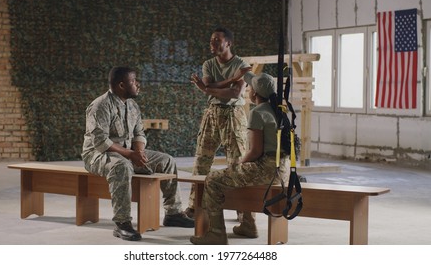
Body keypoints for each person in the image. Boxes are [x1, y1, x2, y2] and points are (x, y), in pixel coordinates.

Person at [82, 66, 194, 242]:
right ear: (121, 85)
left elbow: (139, 133)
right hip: (97, 155)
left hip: (127, 152)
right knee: (122, 166)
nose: (138, 84)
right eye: (133, 81)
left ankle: (173, 213)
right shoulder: (100, 106)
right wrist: (130, 154)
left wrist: (139, 152)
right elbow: (101, 142)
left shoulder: (132, 105)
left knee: (167, 161)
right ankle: (122, 223)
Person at [190, 73, 291, 245]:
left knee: (213, 179)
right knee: (235, 176)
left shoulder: (257, 112)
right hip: (283, 169)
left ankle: (216, 234)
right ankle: (247, 225)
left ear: (254, 94)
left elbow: (255, 151)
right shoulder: (279, 110)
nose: (248, 91)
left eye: (249, 88)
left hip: (267, 170)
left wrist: (239, 164)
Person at [187, 27, 254, 219]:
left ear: (228, 43)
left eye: (217, 40)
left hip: (233, 115)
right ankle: (194, 206)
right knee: (201, 160)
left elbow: (235, 93)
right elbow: (209, 86)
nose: (213, 44)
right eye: (211, 41)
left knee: (238, 163)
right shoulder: (208, 64)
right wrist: (231, 80)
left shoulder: (242, 64)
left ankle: (243, 211)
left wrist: (209, 89)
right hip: (212, 114)